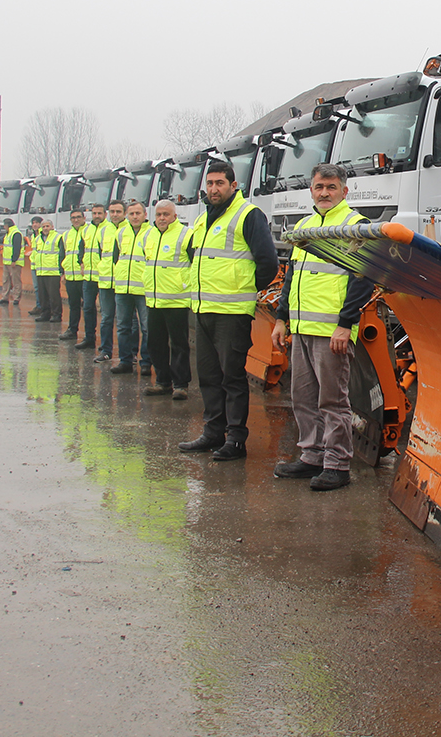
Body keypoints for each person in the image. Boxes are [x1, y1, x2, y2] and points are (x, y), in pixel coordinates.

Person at [271, 163, 373, 492]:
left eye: (331, 187)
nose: (325, 193)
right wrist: (281, 318)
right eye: (319, 187)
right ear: (311, 191)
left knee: (332, 401)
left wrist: (345, 325)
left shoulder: (356, 225)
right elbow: (291, 276)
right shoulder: (305, 226)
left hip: (332, 332)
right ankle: (311, 456)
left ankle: (337, 464)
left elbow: (362, 280)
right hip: (301, 327)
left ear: (345, 191)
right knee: (302, 396)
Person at [179, 161, 278, 460]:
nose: (213, 189)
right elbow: (193, 256)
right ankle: (212, 432)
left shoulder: (248, 215)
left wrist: (245, 289)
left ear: (233, 185)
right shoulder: (202, 219)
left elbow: (268, 263)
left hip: (232, 312)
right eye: (209, 184)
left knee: (232, 378)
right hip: (204, 308)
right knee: (208, 375)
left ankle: (235, 440)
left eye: (220, 183)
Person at [140, 199, 191, 400]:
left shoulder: (185, 234)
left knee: (179, 344)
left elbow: (194, 263)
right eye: (159, 214)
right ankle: (162, 381)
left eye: (166, 215)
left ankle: (180, 385)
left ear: (175, 216)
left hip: (176, 300)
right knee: (155, 343)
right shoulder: (148, 235)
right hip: (154, 300)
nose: (162, 218)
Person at [110, 201, 153, 376]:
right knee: (122, 327)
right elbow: (116, 257)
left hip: (143, 289)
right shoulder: (120, 233)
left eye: (138, 213)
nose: (134, 217)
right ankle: (125, 361)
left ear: (144, 215)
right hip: (122, 288)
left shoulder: (152, 233)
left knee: (147, 328)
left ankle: (145, 362)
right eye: (131, 214)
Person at [89, 201, 122, 362]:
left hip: (123, 283)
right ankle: (105, 351)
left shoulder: (129, 230)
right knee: (106, 318)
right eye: (112, 211)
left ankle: (129, 354)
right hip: (105, 282)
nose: (115, 214)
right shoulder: (103, 231)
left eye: (118, 211)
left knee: (127, 322)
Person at [74, 203, 103, 352]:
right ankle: (89, 338)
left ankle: (104, 344)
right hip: (88, 277)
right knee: (87, 308)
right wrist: (81, 262)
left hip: (104, 277)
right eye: (94, 213)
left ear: (105, 214)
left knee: (105, 312)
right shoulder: (87, 230)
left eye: (100, 213)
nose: (97, 216)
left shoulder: (108, 230)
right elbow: (82, 248)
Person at [58, 210, 86, 340]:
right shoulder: (66, 235)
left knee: (87, 307)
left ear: (84, 218)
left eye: (78, 217)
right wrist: (62, 272)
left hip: (84, 277)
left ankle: (89, 333)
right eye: (73, 218)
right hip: (70, 276)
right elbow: (62, 254)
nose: (76, 220)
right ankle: (72, 330)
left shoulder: (88, 232)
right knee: (73, 305)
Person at [31, 218, 63, 324]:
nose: (45, 228)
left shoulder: (58, 237)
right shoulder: (37, 239)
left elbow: (61, 254)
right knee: (42, 295)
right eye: (43, 226)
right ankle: (45, 313)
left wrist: (61, 269)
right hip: (40, 271)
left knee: (54, 295)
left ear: (52, 227)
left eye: (47, 226)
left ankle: (56, 314)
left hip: (53, 271)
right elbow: (35, 253)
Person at [0, 218, 25, 306]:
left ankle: (16, 298)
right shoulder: (9, 234)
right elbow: (2, 240)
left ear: (6, 226)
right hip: (7, 262)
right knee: (6, 280)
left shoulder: (16, 233)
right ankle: (5, 297)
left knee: (16, 281)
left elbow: (17, 248)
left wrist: (14, 260)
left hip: (14, 263)